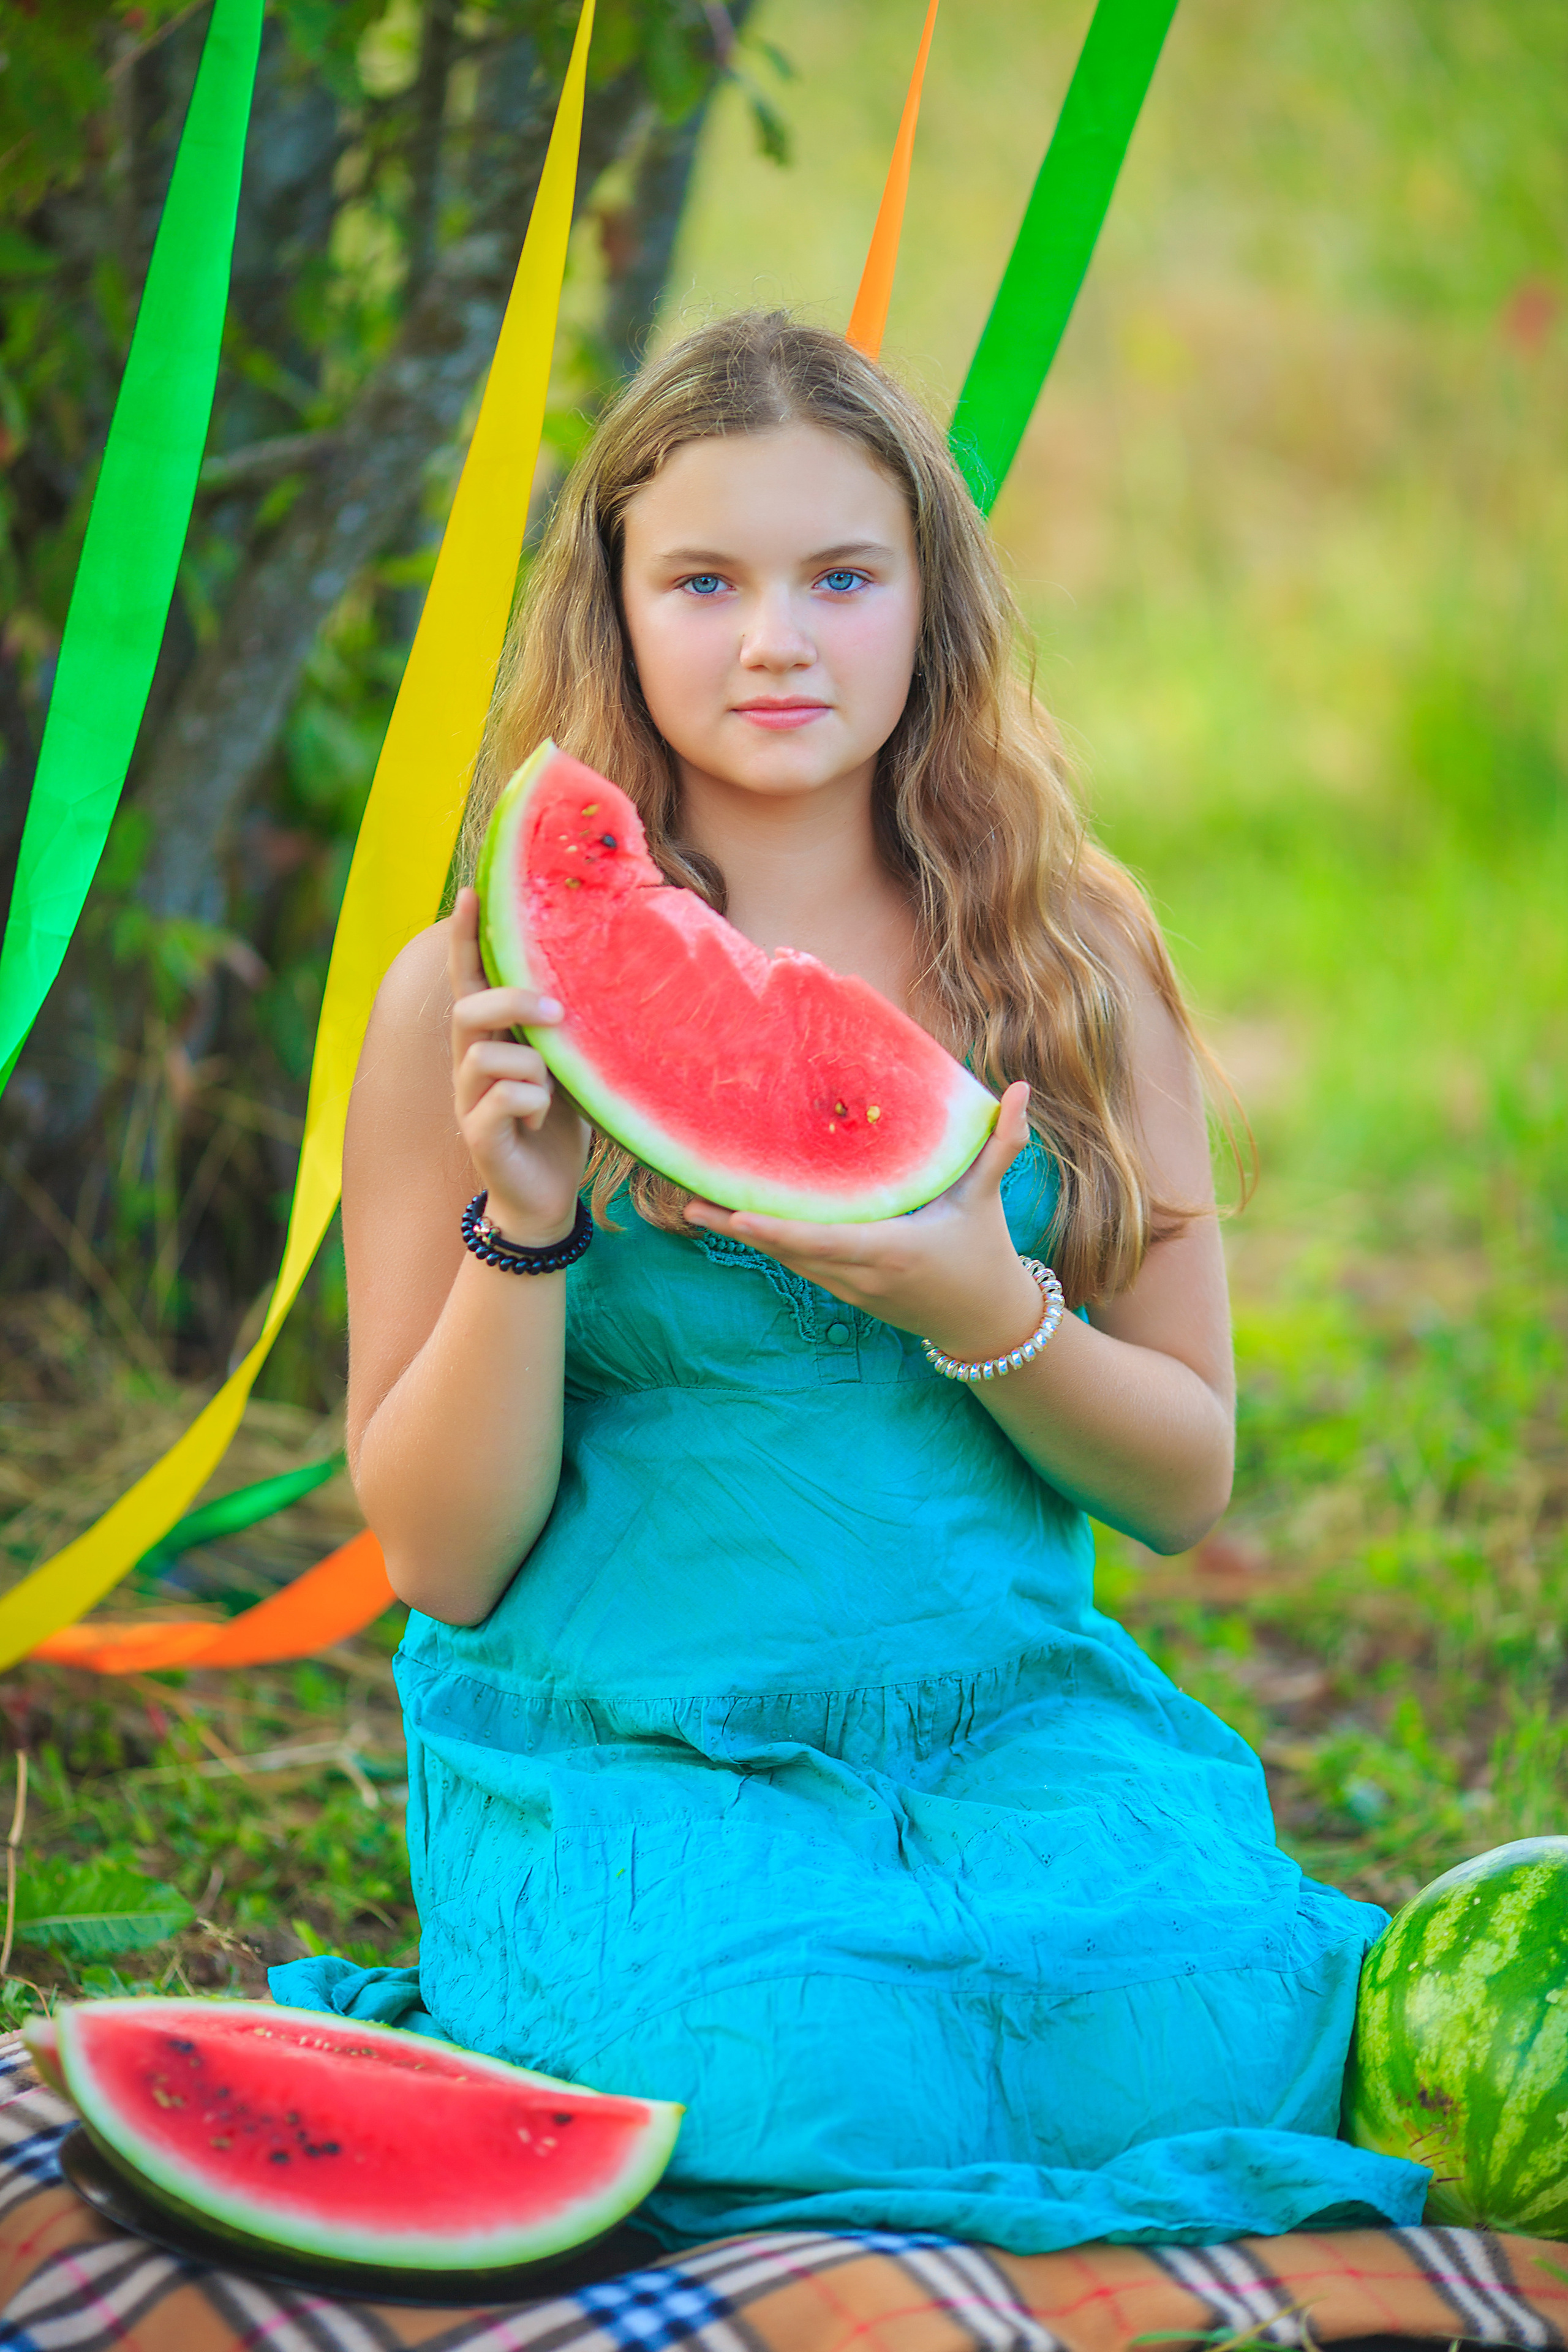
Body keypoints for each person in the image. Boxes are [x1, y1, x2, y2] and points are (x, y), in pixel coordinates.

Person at [274, 314, 1426, 2250]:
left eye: (841, 577)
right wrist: (527, 1228)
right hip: (636, 1735)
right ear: (618, 605)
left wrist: (983, 1304)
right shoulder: (469, 984)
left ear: (931, 607)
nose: (776, 642)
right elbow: (444, 1563)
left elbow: (1183, 1476)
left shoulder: (1071, 955)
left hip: (1005, 1720)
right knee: (785, 2080)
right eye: (704, 581)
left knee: (1206, 2039)